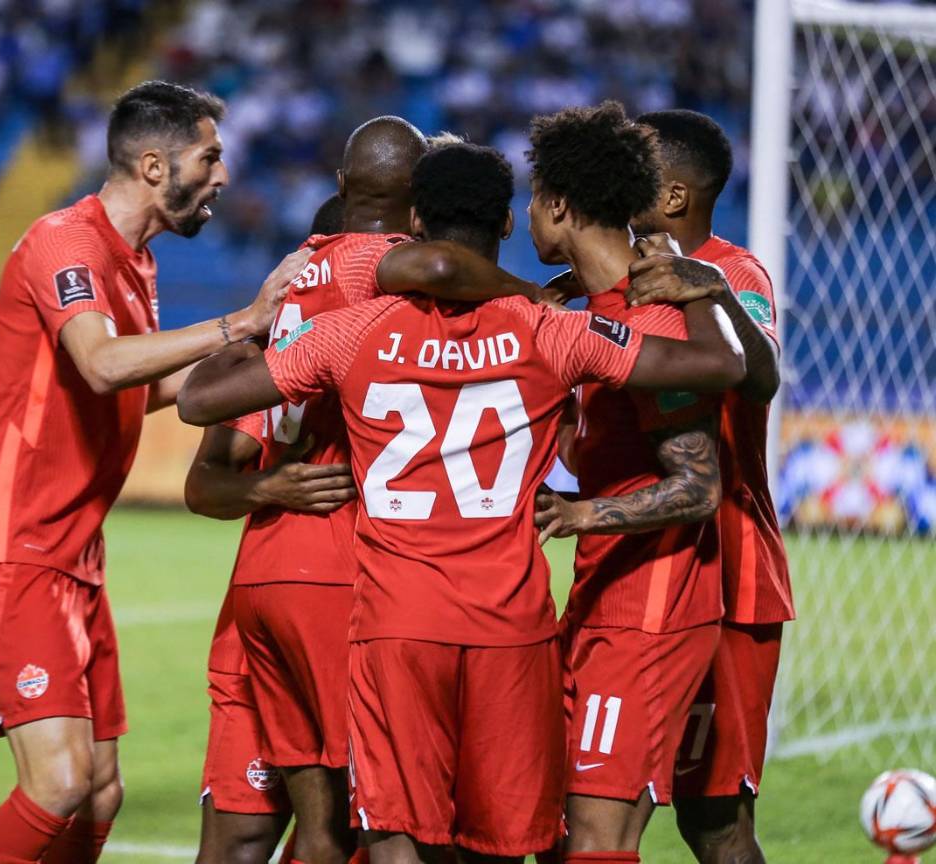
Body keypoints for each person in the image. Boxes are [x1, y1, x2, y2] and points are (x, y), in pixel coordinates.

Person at [176, 141, 746, 864]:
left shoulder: (352, 333)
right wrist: (700, 291)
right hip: (511, 623)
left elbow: (199, 401)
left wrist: (258, 325)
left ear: (414, 220)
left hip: (395, 622)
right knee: (501, 843)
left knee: (392, 838)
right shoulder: (551, 333)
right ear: (507, 227)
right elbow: (720, 364)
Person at [0, 80, 305, 864]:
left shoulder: (133, 261)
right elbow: (101, 365)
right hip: (7, 545)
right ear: (154, 165)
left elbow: (150, 386)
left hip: (69, 553)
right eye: (210, 155)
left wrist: (270, 355)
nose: (224, 175)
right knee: (58, 782)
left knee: (101, 790)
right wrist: (241, 320)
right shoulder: (65, 241)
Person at [523, 102, 731, 863]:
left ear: (560, 207)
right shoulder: (596, 314)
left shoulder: (653, 326)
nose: (526, 216)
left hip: (651, 612)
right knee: (559, 835)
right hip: (604, 600)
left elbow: (697, 487)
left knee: (598, 843)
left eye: (533, 198)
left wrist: (580, 514)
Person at [627, 109, 793, 864]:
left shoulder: (735, 271)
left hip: (728, 569)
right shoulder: (614, 277)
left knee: (714, 816)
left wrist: (710, 293)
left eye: (629, 170)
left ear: (671, 197)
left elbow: (758, 378)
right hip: (637, 568)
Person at [189, 195, 352, 864]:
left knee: (334, 829)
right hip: (271, 618)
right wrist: (268, 485)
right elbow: (204, 483)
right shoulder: (279, 355)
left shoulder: (400, 346)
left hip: (334, 602)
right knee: (245, 835)